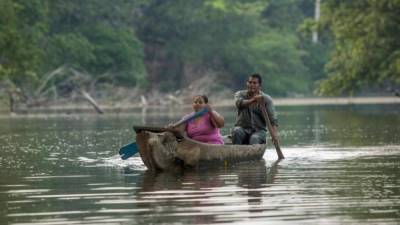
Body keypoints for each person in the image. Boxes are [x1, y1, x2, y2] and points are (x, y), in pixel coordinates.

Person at [232, 73, 279, 145]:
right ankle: (236, 153)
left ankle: (252, 153)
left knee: (254, 138)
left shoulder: (266, 99)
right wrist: (253, 100)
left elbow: (273, 120)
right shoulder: (240, 94)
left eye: (254, 83)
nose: (251, 85)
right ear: (247, 83)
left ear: (259, 86)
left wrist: (274, 135)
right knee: (236, 131)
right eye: (250, 82)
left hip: (259, 131)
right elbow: (239, 103)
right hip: (243, 129)